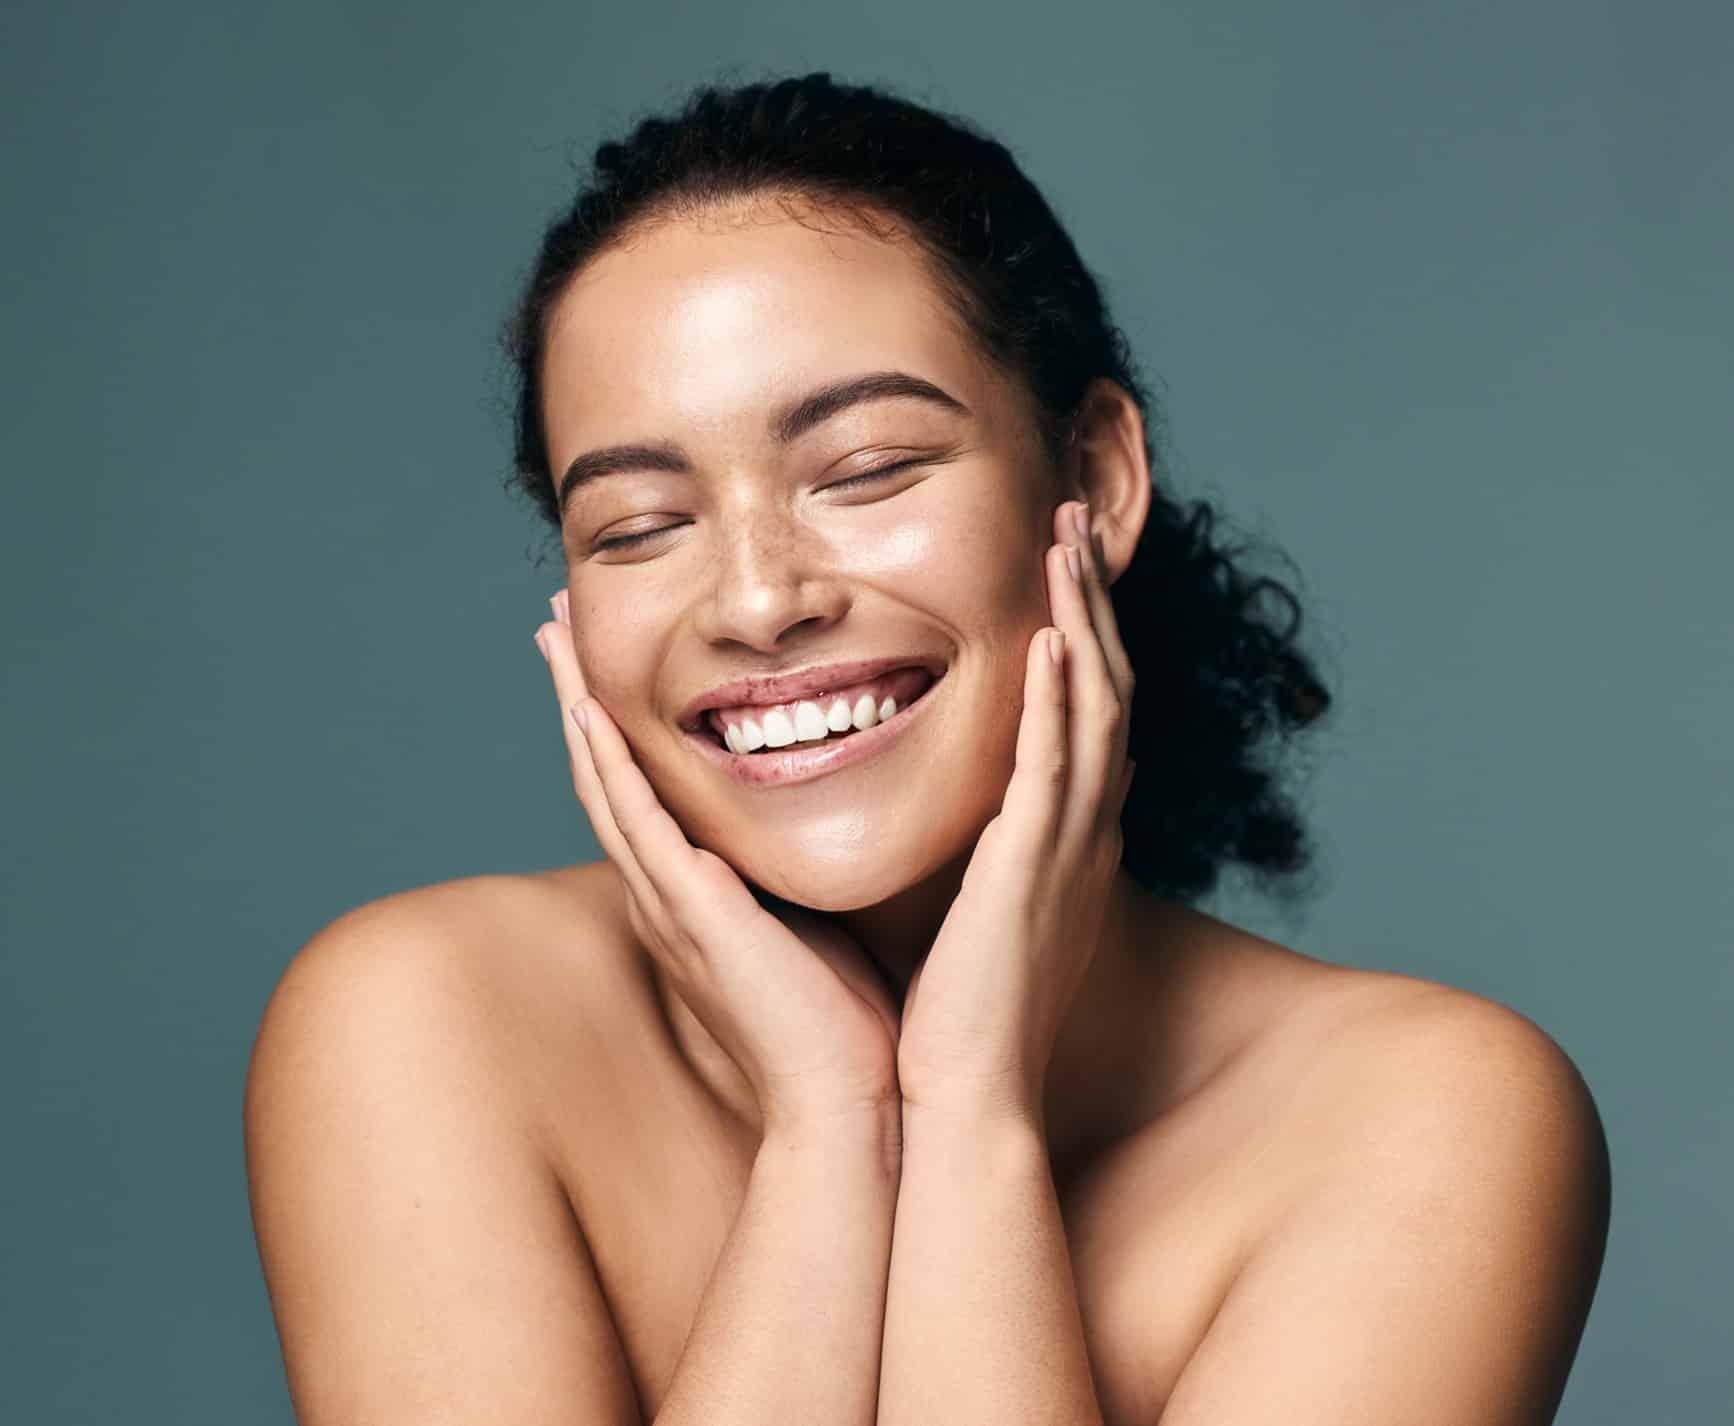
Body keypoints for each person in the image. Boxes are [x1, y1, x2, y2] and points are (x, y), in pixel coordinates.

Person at [243, 71, 1610, 1426]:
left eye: (867, 467)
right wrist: (830, 1130)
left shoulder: (1428, 1120)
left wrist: (966, 1115)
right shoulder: (426, 1023)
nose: (760, 599)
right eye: (640, 525)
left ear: (1093, 478)